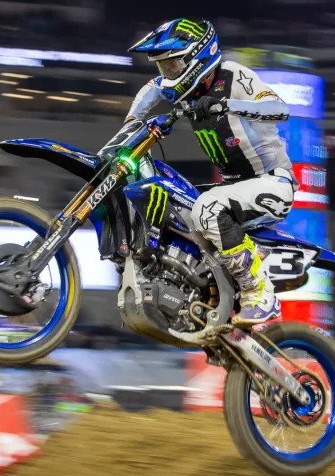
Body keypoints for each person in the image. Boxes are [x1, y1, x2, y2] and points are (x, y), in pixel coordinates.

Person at [124, 18, 297, 326]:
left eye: (173, 65)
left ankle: (260, 292)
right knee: (173, 199)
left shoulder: (234, 75)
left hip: (271, 182)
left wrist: (227, 105)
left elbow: (279, 109)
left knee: (208, 208)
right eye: (163, 67)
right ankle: (203, 291)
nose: (168, 74)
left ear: (198, 56)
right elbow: (152, 89)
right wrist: (132, 124)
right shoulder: (184, 89)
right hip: (233, 187)